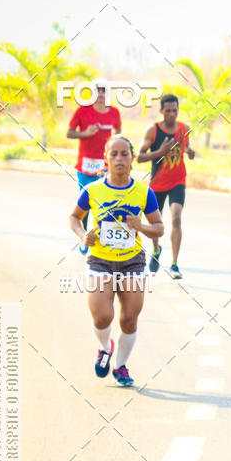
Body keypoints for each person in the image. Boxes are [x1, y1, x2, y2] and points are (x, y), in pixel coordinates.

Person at [69, 136, 164, 386]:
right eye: (114, 154)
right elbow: (74, 217)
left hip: (132, 261)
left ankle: (121, 366)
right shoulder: (93, 191)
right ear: (106, 159)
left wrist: (140, 226)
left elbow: (159, 227)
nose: (119, 159)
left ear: (132, 158)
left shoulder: (144, 192)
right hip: (100, 260)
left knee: (129, 318)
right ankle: (104, 347)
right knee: (101, 316)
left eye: (124, 154)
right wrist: (82, 235)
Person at [137, 93, 195, 279]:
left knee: (176, 218)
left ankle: (175, 265)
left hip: (178, 180)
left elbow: (185, 146)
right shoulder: (152, 131)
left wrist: (189, 151)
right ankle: (156, 250)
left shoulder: (184, 128)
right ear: (161, 111)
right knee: (156, 222)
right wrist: (161, 152)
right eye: (168, 111)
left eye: (175, 110)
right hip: (157, 183)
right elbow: (139, 156)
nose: (172, 114)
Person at [67, 78, 122, 254]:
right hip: (84, 166)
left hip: (105, 166)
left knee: (105, 202)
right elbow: (69, 133)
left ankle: (104, 237)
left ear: (108, 93)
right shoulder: (83, 111)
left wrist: (115, 151)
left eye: (104, 90)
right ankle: (84, 238)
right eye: (97, 90)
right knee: (85, 204)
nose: (101, 94)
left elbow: (118, 134)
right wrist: (86, 133)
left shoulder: (114, 112)